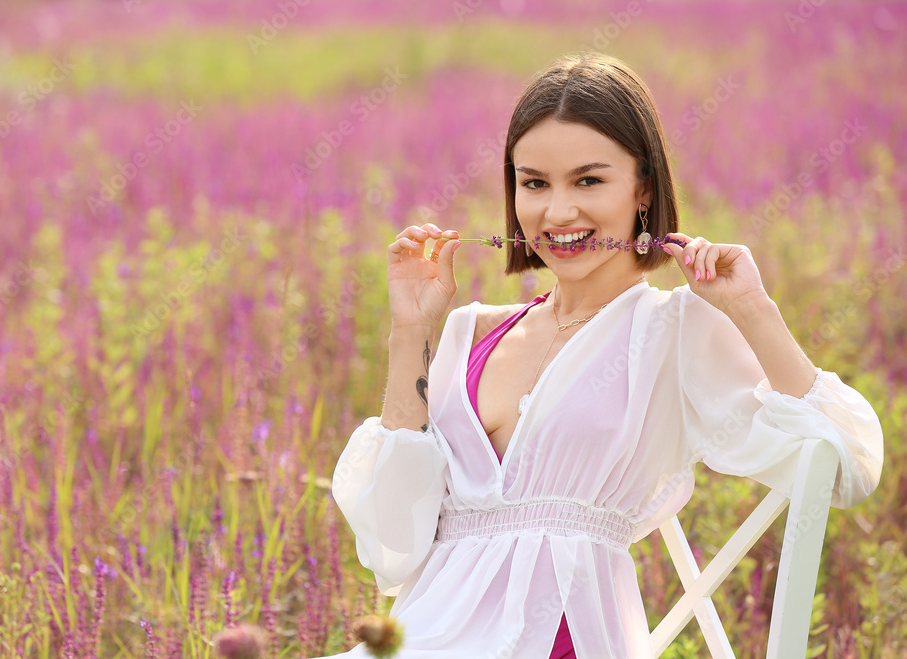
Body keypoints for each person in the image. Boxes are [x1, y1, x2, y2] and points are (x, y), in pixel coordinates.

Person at [312, 53, 884, 658]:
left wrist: (753, 310)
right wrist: (411, 330)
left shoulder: (674, 330)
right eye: (534, 182)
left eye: (588, 180)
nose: (558, 212)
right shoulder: (464, 331)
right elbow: (393, 544)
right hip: (426, 637)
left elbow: (844, 462)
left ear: (643, 188)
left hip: (564, 639)